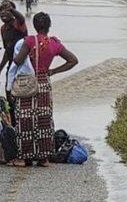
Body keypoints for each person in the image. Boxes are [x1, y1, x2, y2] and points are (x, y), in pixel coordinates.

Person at [7, 12, 78, 167]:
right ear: (49, 26)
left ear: (34, 25)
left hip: (28, 83)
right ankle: (43, 158)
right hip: (44, 82)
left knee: (25, 119)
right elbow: (73, 60)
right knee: (44, 120)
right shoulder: (55, 43)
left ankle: (24, 157)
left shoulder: (29, 41)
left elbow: (18, 60)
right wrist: (53, 71)